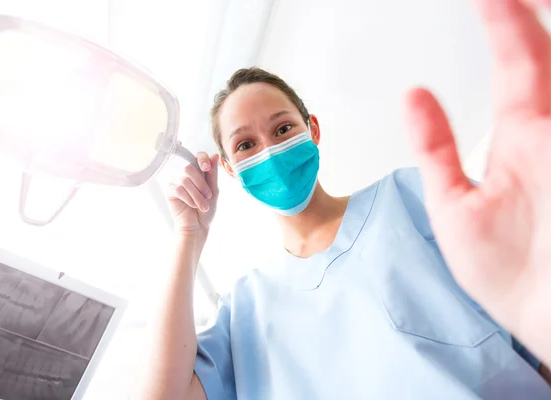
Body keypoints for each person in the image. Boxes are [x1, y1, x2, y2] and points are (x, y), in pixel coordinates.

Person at [139, 1, 551, 398]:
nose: (269, 151)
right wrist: (188, 235)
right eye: (246, 144)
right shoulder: (243, 310)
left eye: (282, 129)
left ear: (312, 130)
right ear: (230, 169)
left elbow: (530, 325)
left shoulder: (410, 198)